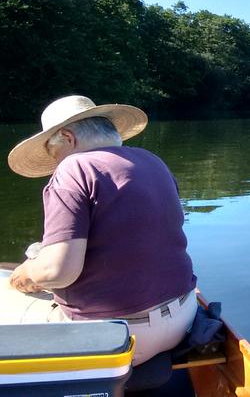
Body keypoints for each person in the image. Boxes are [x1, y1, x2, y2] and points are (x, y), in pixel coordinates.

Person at [5, 95, 198, 366]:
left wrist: (26, 273)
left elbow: (58, 272)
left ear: (68, 138)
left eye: (52, 152)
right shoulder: (153, 161)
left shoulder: (74, 168)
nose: (54, 163)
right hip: (184, 318)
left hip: (118, 336)